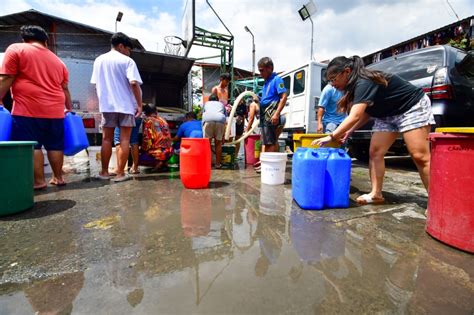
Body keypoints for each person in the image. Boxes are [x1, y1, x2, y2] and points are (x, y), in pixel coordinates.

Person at [313, 56, 435, 205]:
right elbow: (366, 112)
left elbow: (355, 115)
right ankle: (376, 194)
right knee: (375, 152)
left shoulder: (364, 81)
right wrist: (350, 131)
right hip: (386, 114)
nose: (332, 84)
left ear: (346, 72)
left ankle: (437, 201)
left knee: (419, 155)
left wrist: (331, 136)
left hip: (411, 107)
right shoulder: (353, 88)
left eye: (333, 79)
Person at [0, 25, 72, 189]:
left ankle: (39, 182)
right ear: (46, 41)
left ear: (24, 39)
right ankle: (58, 177)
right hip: (56, 111)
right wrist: (68, 108)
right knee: (55, 145)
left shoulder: (17, 49)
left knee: (33, 145)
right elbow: (65, 88)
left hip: (28, 109)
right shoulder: (58, 61)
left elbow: (6, 78)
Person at [91, 32, 143, 182]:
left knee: (106, 139)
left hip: (107, 107)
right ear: (121, 46)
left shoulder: (99, 60)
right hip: (126, 107)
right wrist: (139, 105)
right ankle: (120, 174)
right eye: (128, 49)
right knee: (125, 140)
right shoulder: (127, 61)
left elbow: (96, 85)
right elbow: (134, 83)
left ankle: (104, 172)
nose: (128, 53)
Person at [257, 57, 288, 153]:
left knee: (270, 142)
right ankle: (266, 164)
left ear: (270, 68)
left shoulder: (277, 80)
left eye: (262, 70)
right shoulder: (267, 82)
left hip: (271, 114)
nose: (260, 73)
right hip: (265, 115)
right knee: (267, 141)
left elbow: (284, 97)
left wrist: (276, 114)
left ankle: (269, 166)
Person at [141, 104, 173, 170]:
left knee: (141, 156)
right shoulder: (163, 120)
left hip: (159, 153)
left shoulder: (149, 121)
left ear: (145, 113)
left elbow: (147, 139)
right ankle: (164, 162)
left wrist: (142, 149)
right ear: (156, 111)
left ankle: (158, 162)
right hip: (170, 151)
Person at [202, 93, 226, 168]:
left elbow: (202, 114)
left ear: (209, 99)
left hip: (208, 121)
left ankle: (207, 163)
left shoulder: (206, 104)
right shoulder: (221, 104)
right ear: (217, 100)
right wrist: (223, 135)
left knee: (207, 144)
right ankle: (218, 164)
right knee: (218, 144)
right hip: (220, 121)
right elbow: (225, 117)